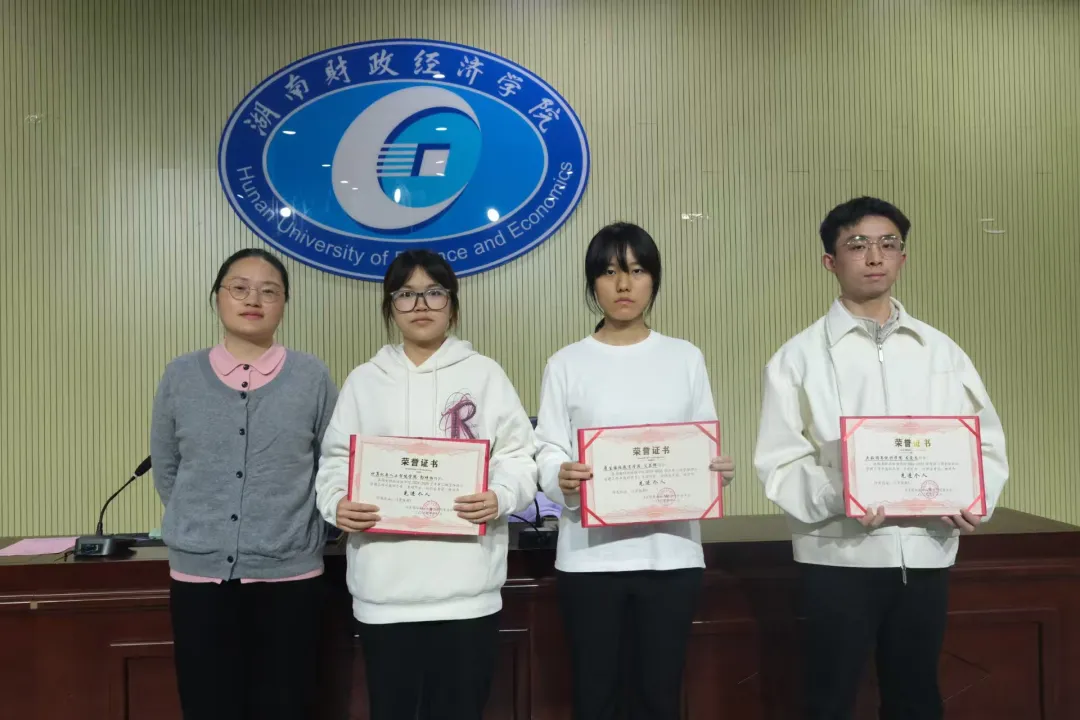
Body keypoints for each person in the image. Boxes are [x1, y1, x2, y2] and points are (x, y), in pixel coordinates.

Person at [752, 196, 1010, 720]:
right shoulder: (797, 357)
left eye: (888, 244)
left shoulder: (941, 351)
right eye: (858, 245)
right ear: (830, 261)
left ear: (902, 258)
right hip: (838, 555)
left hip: (927, 549)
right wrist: (841, 494)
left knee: (916, 698)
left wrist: (973, 500)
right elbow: (779, 461)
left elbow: (983, 441)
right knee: (829, 699)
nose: (875, 256)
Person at [314, 249, 538, 720]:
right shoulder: (364, 382)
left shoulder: (485, 375)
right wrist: (337, 503)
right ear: (390, 307)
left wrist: (500, 495)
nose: (420, 305)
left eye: (434, 293)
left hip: (467, 593)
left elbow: (519, 456)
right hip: (384, 595)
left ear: (452, 304)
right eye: (406, 294)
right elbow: (335, 461)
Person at [534, 222, 736, 720]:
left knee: (659, 696)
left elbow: (701, 442)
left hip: (671, 555)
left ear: (654, 280)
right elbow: (547, 449)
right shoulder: (566, 363)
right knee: (595, 696)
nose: (624, 284)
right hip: (589, 558)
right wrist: (560, 476)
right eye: (609, 272)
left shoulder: (685, 357)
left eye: (637, 270)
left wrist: (715, 470)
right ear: (592, 283)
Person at [150, 248, 338, 720]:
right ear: (217, 297)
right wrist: (203, 526)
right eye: (240, 288)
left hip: (290, 577)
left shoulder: (312, 376)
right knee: (208, 705)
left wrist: (306, 533)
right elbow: (168, 467)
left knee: (287, 706)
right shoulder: (180, 375)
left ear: (284, 304)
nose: (253, 299)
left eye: (269, 291)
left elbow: (332, 465)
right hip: (200, 578)